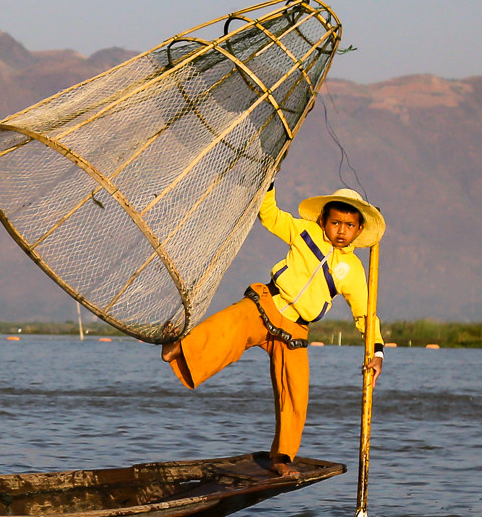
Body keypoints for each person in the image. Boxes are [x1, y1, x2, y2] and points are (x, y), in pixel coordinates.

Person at [159, 184, 385, 477]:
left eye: (350, 225)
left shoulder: (352, 269)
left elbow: (365, 315)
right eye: (336, 223)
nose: (342, 230)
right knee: (231, 324)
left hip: (294, 330)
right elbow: (269, 215)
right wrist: (269, 185)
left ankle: (282, 457)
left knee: (295, 393)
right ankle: (179, 348)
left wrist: (377, 351)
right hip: (268, 305)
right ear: (323, 222)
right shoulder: (304, 232)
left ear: (359, 229)